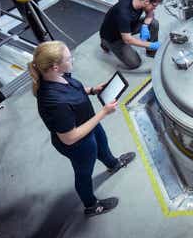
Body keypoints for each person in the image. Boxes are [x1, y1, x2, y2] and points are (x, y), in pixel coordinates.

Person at [29, 41, 135, 217]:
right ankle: (91, 205)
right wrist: (103, 113)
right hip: (78, 144)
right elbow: (69, 138)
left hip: (89, 123)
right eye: (69, 59)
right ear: (55, 67)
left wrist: (92, 90)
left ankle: (113, 164)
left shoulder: (59, 75)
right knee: (84, 172)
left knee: (102, 146)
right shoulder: (54, 102)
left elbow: (73, 90)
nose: (72, 60)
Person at [99, 0, 162, 69]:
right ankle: (105, 43)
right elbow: (127, 40)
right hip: (114, 37)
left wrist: (145, 26)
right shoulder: (123, 14)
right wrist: (151, 44)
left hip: (129, 25)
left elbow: (150, 12)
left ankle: (151, 52)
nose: (154, 8)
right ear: (146, 2)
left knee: (154, 23)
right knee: (135, 63)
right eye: (154, 6)